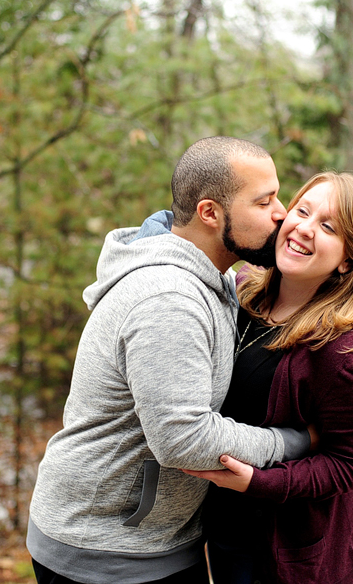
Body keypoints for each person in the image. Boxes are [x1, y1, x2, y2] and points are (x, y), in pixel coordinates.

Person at [27, 137, 313, 584]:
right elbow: (184, 439)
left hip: (151, 537)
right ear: (210, 213)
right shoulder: (169, 300)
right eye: (264, 201)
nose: (282, 213)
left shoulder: (209, 277)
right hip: (106, 548)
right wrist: (292, 443)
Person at [183, 171, 353, 584]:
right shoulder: (239, 289)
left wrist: (259, 482)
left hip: (300, 554)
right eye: (302, 210)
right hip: (229, 530)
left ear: (348, 259)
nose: (305, 228)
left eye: (329, 227)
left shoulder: (346, 350)